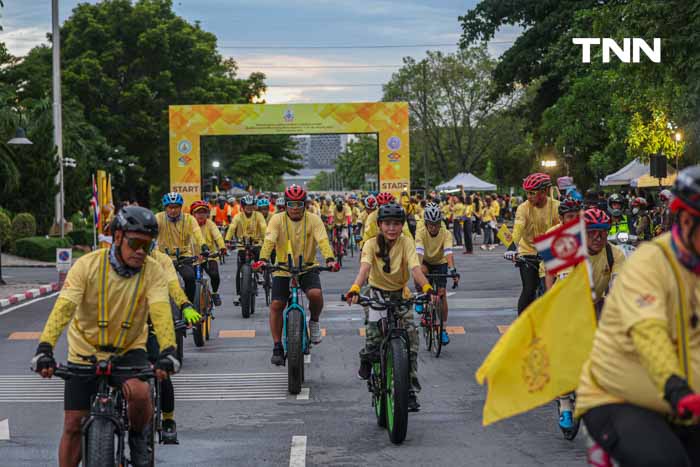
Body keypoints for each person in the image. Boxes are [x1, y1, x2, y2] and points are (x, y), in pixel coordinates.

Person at [31, 206, 178, 467]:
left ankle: (138, 440)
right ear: (118, 237)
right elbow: (64, 307)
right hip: (84, 350)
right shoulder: (86, 265)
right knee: (73, 423)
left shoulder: (153, 271)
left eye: (147, 245)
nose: (141, 251)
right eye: (135, 243)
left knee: (142, 393)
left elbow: (160, 310)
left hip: (129, 349)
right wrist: (45, 348)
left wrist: (168, 350)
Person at [576, 166, 700, 466]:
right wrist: (675, 386)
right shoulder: (650, 263)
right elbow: (648, 332)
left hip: (686, 402)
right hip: (619, 398)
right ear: (686, 220)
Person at [345, 203, 437, 412]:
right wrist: (355, 288)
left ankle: (410, 391)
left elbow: (415, 268)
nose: (392, 228)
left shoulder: (407, 243)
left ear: (402, 225)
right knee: (373, 336)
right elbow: (365, 268)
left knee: (411, 341)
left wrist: (427, 287)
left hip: (400, 293)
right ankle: (366, 358)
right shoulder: (370, 244)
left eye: (396, 224)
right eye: (387, 224)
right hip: (376, 292)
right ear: (379, 225)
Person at [252, 185, 339, 365]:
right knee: (276, 304)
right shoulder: (276, 219)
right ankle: (277, 345)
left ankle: (314, 322)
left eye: (299, 204)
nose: (295, 208)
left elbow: (322, 240)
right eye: (291, 204)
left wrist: (330, 258)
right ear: (285, 204)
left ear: (305, 204)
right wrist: (262, 259)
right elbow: (269, 241)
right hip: (282, 268)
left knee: (315, 295)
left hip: (308, 267)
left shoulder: (314, 219)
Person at [148, 247, 201, 444]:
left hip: (155, 321)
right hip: (121, 328)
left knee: (162, 372)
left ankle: (168, 420)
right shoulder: (109, 262)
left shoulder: (161, 260)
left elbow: (172, 284)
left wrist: (185, 305)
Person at [512, 173, 560, 314]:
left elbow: (563, 229)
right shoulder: (523, 208)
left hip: (550, 252)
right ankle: (521, 326)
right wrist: (511, 247)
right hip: (528, 251)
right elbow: (518, 228)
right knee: (528, 289)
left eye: (532, 193)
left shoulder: (557, 207)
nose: (529, 196)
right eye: (527, 193)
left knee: (552, 288)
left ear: (544, 191)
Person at [415, 203, 459, 345]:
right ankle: (421, 297)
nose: (433, 227)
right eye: (431, 224)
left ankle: (443, 329)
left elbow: (448, 253)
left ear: (440, 223)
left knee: (442, 294)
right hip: (426, 261)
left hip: (440, 262)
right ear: (426, 223)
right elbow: (419, 254)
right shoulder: (420, 231)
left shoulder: (446, 233)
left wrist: (453, 270)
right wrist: (417, 272)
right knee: (420, 271)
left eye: (436, 224)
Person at [156, 192, 208, 302]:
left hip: (184, 256)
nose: (173, 210)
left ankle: (189, 305)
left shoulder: (189, 219)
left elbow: (197, 232)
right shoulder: (158, 218)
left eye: (176, 207)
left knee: (190, 277)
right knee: (156, 280)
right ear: (165, 208)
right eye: (170, 207)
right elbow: (150, 233)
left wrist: (203, 246)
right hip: (163, 257)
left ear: (181, 207)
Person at [225, 195, 267, 305]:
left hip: (256, 243)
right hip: (242, 245)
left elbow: (263, 227)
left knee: (259, 255)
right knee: (239, 270)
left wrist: (265, 238)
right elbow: (232, 227)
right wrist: (227, 240)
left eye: (251, 206)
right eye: (246, 206)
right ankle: (239, 294)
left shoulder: (258, 216)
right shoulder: (238, 217)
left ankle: (260, 273)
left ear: (254, 206)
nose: (249, 208)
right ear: (242, 207)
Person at [190, 200, 227, 307]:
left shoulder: (210, 224)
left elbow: (218, 236)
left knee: (215, 275)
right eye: (198, 212)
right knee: (190, 279)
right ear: (193, 214)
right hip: (193, 257)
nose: (201, 215)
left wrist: (222, 247)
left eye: (203, 212)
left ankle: (215, 293)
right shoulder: (188, 224)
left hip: (209, 256)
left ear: (207, 214)